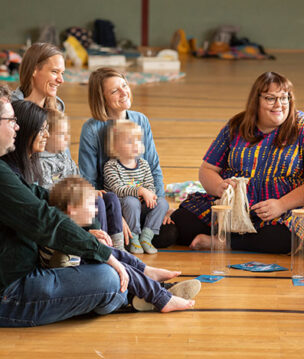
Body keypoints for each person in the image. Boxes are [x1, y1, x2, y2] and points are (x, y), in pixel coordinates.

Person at [0, 84, 127, 327]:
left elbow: (43, 197)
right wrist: (102, 253)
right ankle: (131, 293)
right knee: (109, 278)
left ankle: (145, 288)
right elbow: (43, 219)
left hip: (21, 278)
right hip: (9, 293)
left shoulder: (6, 169)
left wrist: (90, 229)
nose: (16, 126)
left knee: (104, 257)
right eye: (10, 120)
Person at [171, 71, 304, 253]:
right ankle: (236, 237)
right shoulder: (236, 125)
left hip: (285, 209)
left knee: (284, 237)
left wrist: (281, 205)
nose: (279, 105)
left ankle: (223, 242)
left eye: (284, 98)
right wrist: (220, 188)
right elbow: (207, 169)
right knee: (182, 222)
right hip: (237, 209)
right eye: (270, 98)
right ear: (256, 101)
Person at [45, 176, 196, 313]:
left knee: (113, 252)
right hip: (74, 282)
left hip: (78, 269)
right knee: (117, 265)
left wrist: (91, 238)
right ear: (72, 209)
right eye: (90, 204)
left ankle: (146, 274)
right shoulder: (62, 236)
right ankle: (161, 297)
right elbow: (68, 264)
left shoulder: (66, 227)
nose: (95, 209)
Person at [79, 67, 175, 248]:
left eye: (124, 85)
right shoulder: (92, 129)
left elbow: (153, 167)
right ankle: (125, 235)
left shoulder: (140, 120)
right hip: (112, 204)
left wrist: (160, 205)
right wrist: (117, 217)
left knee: (170, 233)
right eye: (115, 91)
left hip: (141, 201)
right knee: (110, 230)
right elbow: (89, 182)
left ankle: (138, 235)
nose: (124, 92)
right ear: (102, 98)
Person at [39, 109, 125, 249]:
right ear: (46, 135)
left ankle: (118, 246)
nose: (67, 138)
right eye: (61, 134)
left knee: (110, 198)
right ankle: (101, 246)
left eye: (67, 133)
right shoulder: (41, 162)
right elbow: (50, 193)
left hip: (78, 197)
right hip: (66, 204)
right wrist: (84, 196)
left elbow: (77, 178)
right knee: (97, 203)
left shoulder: (64, 156)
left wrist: (89, 190)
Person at [103, 120, 169, 254]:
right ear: (116, 146)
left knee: (162, 203)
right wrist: (140, 191)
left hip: (141, 205)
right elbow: (118, 190)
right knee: (130, 201)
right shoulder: (111, 166)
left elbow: (150, 184)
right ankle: (134, 237)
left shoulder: (143, 164)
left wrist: (150, 194)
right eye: (129, 141)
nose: (135, 144)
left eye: (138, 140)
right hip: (123, 209)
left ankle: (146, 236)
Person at [2, 100, 49, 183]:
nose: (47, 135)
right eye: (41, 129)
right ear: (25, 131)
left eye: (46, 128)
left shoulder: (33, 162)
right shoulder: (9, 173)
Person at [12, 42, 65, 111]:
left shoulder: (58, 106)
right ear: (34, 70)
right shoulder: (9, 108)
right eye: (54, 71)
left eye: (62, 73)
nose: (61, 80)